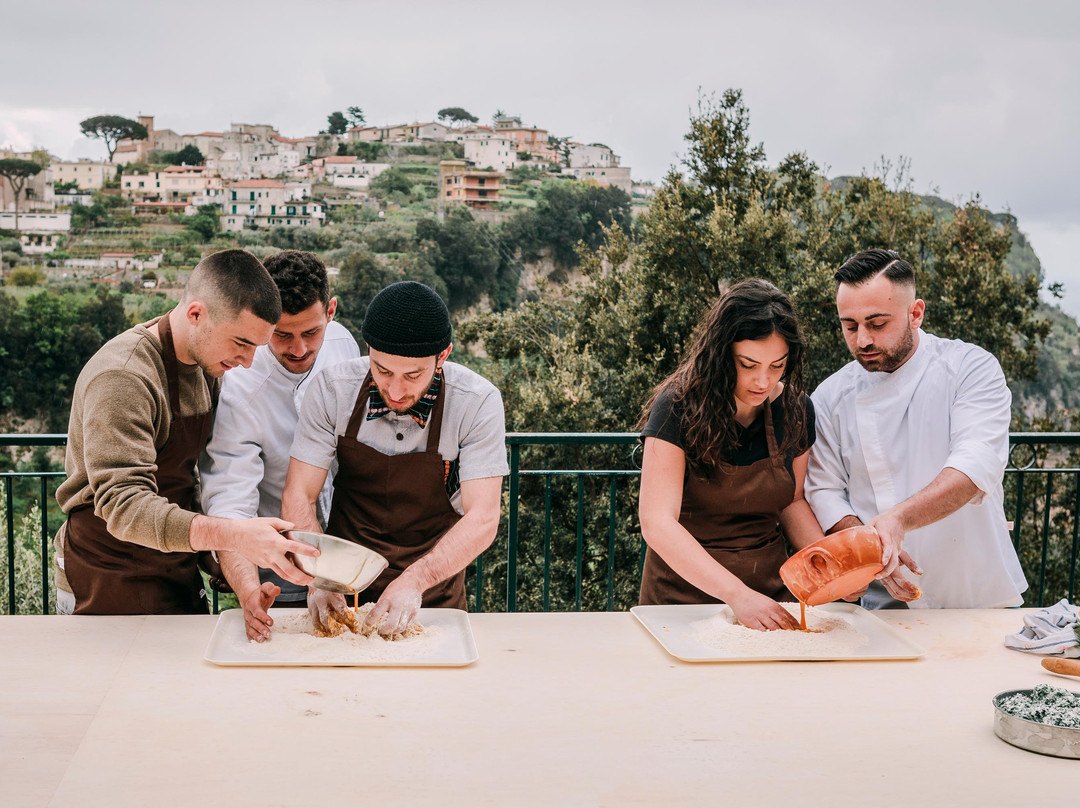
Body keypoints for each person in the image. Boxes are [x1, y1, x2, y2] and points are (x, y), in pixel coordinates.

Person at [53, 249, 317, 615]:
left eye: (256, 347)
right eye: (241, 343)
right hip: (106, 575)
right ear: (196, 314)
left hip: (175, 568)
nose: (247, 362)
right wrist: (233, 534)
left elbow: (185, 479)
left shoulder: (206, 366)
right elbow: (123, 507)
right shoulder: (124, 378)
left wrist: (219, 558)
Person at [280, 281, 507, 637]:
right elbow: (298, 495)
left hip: (433, 597)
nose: (396, 390)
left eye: (413, 375)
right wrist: (317, 576)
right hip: (343, 589)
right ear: (369, 350)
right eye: (382, 371)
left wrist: (416, 579)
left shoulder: (478, 403)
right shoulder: (331, 389)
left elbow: (484, 517)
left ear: (443, 356)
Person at [805, 248, 1027, 609]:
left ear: (916, 313)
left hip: (973, 594)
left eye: (877, 324)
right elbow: (824, 490)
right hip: (883, 600)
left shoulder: (970, 368)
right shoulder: (830, 396)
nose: (862, 340)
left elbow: (975, 465)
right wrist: (868, 545)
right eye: (850, 326)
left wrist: (898, 519)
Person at [637, 278, 825, 631]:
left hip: (769, 597)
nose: (763, 382)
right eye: (748, 365)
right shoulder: (676, 407)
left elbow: (792, 501)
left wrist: (829, 563)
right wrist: (737, 595)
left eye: (777, 366)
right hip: (681, 602)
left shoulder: (797, 409)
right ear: (721, 354)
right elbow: (657, 522)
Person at [199, 250, 361, 640]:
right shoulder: (240, 388)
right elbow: (229, 505)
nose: (300, 349)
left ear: (331, 311)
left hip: (344, 550)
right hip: (273, 566)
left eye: (311, 332)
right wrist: (250, 593)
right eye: (282, 335)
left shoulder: (343, 345)